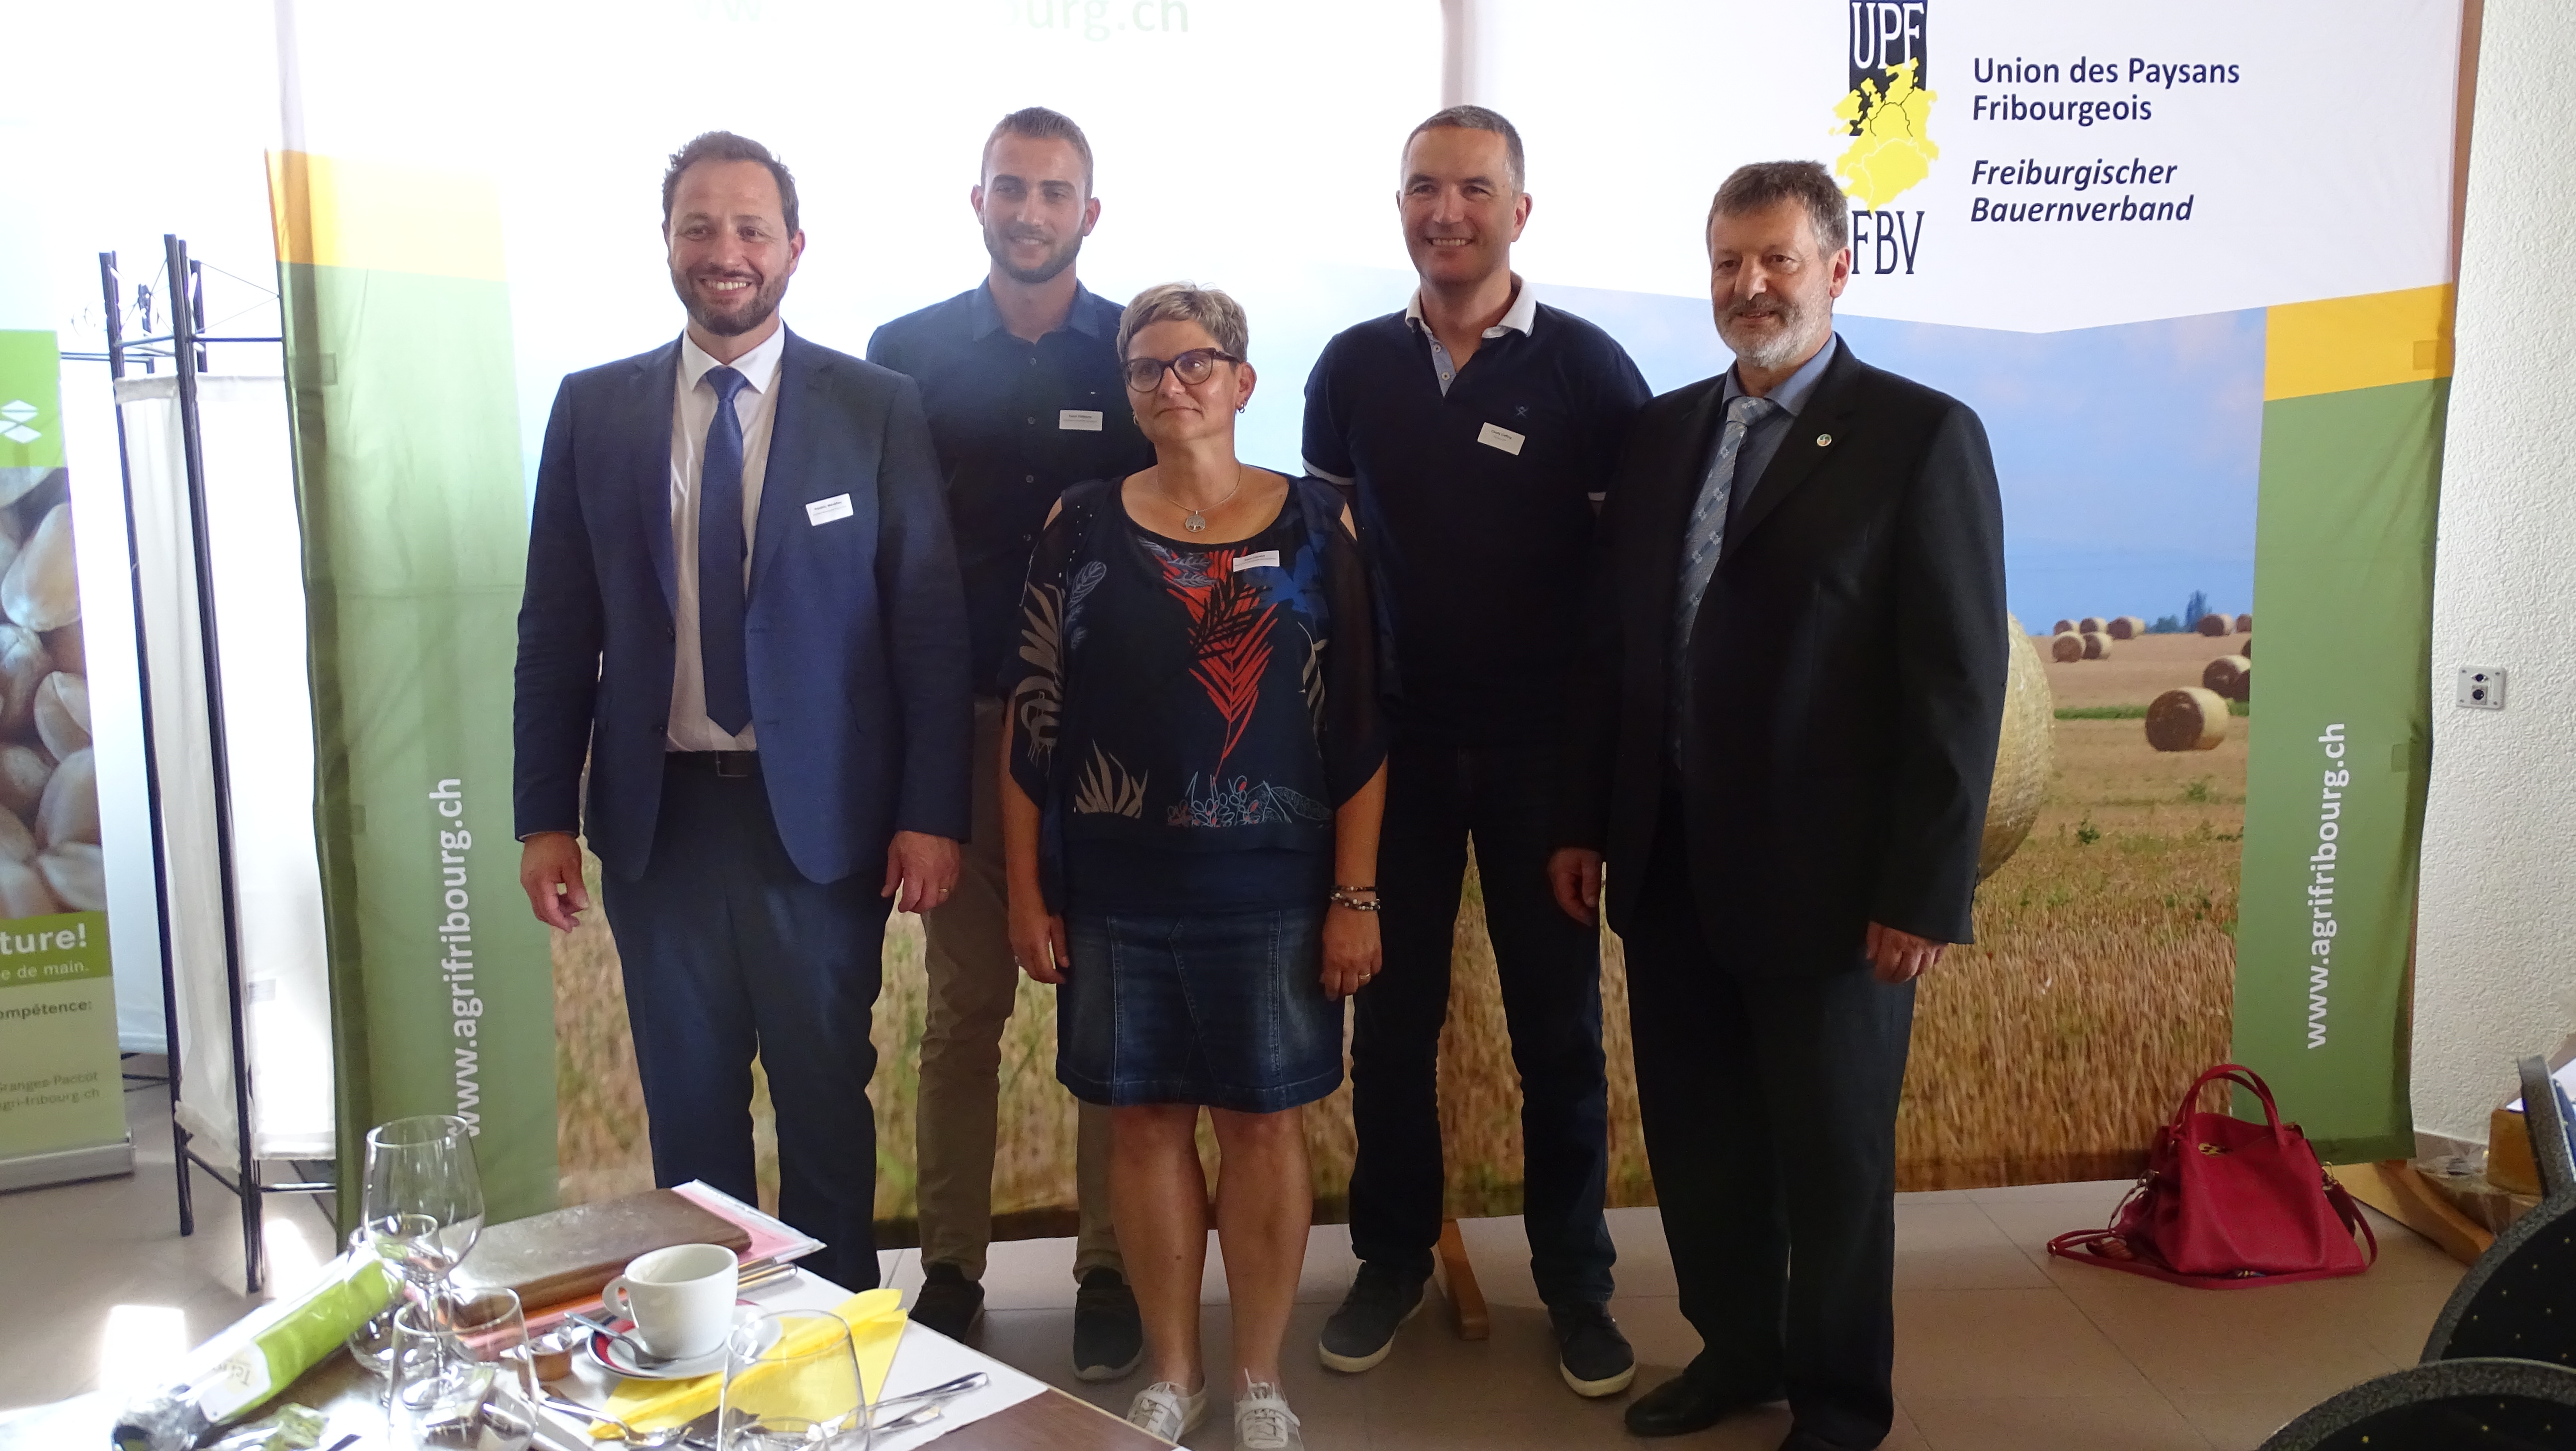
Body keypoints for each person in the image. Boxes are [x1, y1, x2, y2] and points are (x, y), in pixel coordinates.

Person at [1548, 161, 2007, 1451]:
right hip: (1669, 863)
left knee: (1833, 1167)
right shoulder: (1662, 433)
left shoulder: (1922, 437)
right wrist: (1590, 819)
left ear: (1839, 270)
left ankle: (1843, 1404)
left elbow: (1958, 686)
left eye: (1779, 262)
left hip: (1833, 887)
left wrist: (1922, 890)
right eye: (1729, 264)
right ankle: (1736, 1352)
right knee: (1701, 1146)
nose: (1751, 288)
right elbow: (1615, 647)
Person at [513, 131, 971, 1292]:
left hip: (817, 827)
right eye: (701, 226)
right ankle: (708, 1354)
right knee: (690, 1111)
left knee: (825, 1098)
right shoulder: (594, 409)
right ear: (667, 243)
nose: (726, 252)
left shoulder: (875, 407)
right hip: (660, 823)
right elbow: (558, 631)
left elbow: (925, 625)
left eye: (750, 228)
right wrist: (542, 818)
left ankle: (834, 1353)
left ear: (794, 247)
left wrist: (933, 811)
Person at [1000, 283, 1387, 1451]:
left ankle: (1260, 1376)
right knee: (1148, 1122)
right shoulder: (1077, 524)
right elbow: (1033, 720)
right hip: (1120, 885)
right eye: (1148, 368)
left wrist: (1355, 897)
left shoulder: (1322, 522)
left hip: (1274, 886)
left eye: (1196, 363)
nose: (1172, 384)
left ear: (1242, 382)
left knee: (1265, 1125)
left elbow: (1363, 727)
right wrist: (1028, 891)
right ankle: (1175, 1372)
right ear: (1127, 389)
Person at [1300, 104, 1650, 1395]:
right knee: (1392, 1029)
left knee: (1558, 1032)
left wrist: (1600, 791)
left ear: (1521, 209)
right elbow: (1330, 579)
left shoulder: (1589, 373)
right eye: (1422, 189)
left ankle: (1577, 1284)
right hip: (1393, 761)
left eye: (1473, 189)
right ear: (1400, 206)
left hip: (1540, 766)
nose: (1446, 212)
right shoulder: (1347, 370)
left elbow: (1618, 600)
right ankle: (1390, 1258)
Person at [866, 106, 1153, 1372]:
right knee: (964, 1010)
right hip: (962, 727)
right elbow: (883, 561)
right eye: (1010, 190)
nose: (1031, 211)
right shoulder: (904, 355)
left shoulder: (1142, 351)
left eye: (1056, 193)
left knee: (1108, 1008)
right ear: (976, 202)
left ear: (1091, 212)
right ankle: (950, 1267)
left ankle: (1107, 1264)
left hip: (1109, 741)